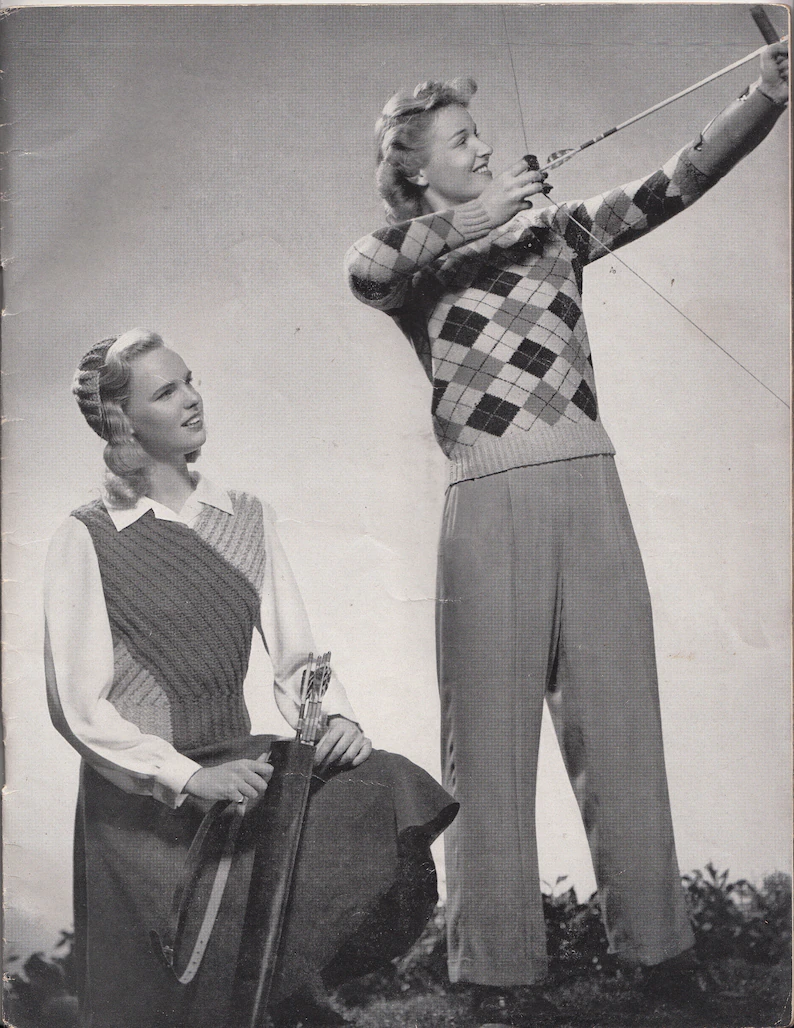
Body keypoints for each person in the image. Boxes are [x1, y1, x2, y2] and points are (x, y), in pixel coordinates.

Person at [345, 43, 788, 1027]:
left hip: (589, 483)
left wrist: (766, 94)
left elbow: (672, 183)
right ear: (419, 164)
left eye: (481, 134)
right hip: (485, 497)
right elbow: (362, 265)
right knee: (488, 746)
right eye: (464, 138)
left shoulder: (555, 234)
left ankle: (660, 955)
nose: (486, 145)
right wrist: (486, 211)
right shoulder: (413, 262)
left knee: (621, 720)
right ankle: (493, 971)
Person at [44, 328, 458, 1028]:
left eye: (190, 379)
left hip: (238, 771)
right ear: (122, 419)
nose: (192, 398)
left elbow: (299, 661)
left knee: (383, 787)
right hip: (143, 798)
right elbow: (76, 706)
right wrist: (184, 778)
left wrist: (336, 722)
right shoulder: (86, 535)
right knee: (160, 1006)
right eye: (166, 391)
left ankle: (299, 995)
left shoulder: (247, 519)